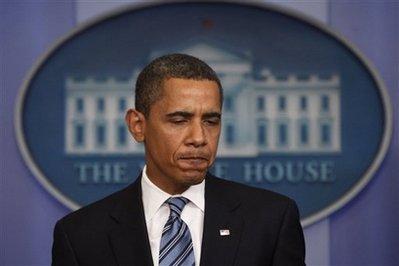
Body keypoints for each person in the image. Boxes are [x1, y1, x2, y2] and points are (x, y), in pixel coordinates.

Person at [52, 54, 305, 266]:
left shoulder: (271, 221)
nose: (199, 137)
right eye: (179, 120)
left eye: (211, 121)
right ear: (138, 125)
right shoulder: (80, 236)